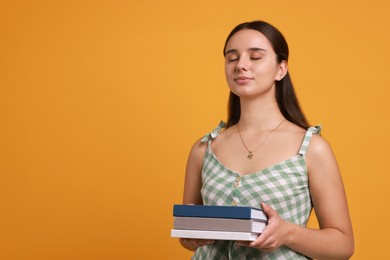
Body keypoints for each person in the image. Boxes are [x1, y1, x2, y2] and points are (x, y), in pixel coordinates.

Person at [178, 20, 354, 259]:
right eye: (232, 58)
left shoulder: (312, 149)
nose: (241, 65)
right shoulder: (204, 148)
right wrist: (190, 233)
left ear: (281, 69)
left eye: (255, 57)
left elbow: (343, 246)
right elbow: (188, 240)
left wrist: (287, 233)